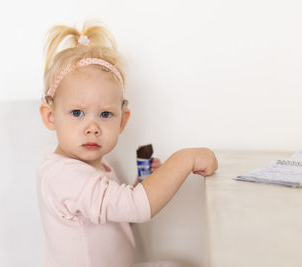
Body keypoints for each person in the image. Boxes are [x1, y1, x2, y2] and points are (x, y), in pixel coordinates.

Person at [37, 21, 218, 267]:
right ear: (50, 117)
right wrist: (184, 159)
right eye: (77, 113)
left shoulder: (97, 168)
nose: (93, 127)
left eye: (105, 114)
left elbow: (119, 216)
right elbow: (136, 208)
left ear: (122, 122)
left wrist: (141, 185)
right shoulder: (64, 176)